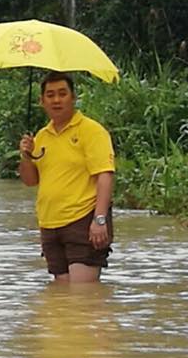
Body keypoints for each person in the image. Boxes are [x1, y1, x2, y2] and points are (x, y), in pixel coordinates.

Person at [18, 71, 115, 283]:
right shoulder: (41, 136)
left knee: (82, 294)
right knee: (61, 296)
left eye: (62, 94)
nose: (56, 100)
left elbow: (105, 175)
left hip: (83, 220)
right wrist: (26, 156)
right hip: (50, 223)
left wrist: (99, 220)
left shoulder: (92, 131)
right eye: (50, 95)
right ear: (41, 101)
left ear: (73, 97)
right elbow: (30, 181)